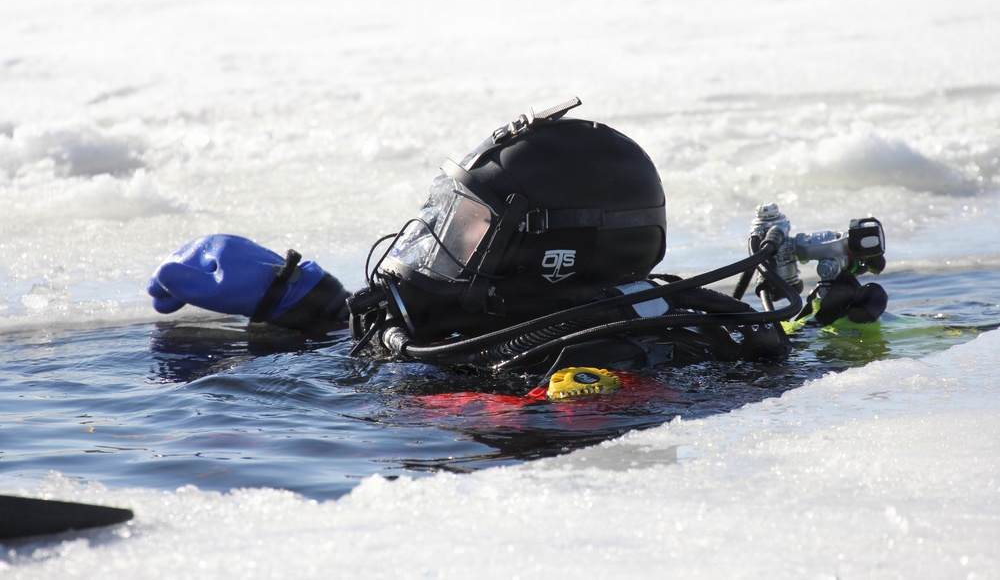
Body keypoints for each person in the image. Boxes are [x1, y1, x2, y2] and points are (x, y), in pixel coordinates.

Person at [147, 98, 887, 392]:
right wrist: (304, 297)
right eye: (445, 213)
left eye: (466, 225)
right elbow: (405, 337)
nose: (436, 241)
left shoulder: (598, 354)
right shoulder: (476, 321)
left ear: (549, 251)